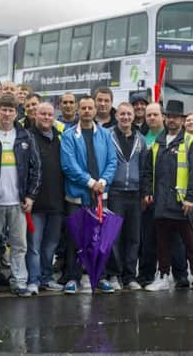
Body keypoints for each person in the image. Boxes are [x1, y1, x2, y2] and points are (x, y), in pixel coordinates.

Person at [142, 100, 193, 294]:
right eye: (169, 116)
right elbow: (148, 171)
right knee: (162, 244)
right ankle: (163, 276)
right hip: (162, 204)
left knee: (192, 244)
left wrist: (190, 198)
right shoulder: (158, 142)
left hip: (183, 204)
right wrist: (147, 192)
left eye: (175, 117)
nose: (171, 120)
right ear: (165, 118)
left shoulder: (191, 142)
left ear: (181, 119)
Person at [0, 94, 41, 297]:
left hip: (18, 202)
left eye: (10, 110)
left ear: (16, 113)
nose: (6, 113)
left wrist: (30, 196)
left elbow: (36, 168)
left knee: (19, 245)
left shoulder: (25, 136)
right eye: (3, 109)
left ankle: (19, 280)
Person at [60, 95, 117, 294]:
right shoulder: (68, 136)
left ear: (94, 111)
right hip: (77, 196)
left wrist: (102, 181)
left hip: (100, 195)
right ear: (78, 110)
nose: (86, 111)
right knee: (75, 238)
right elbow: (69, 165)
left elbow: (112, 162)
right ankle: (73, 278)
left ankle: (98, 276)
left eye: (90, 108)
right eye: (83, 108)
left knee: (98, 238)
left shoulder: (105, 135)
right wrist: (90, 182)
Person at [26, 103, 65, 293]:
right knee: (34, 245)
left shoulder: (61, 138)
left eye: (50, 114)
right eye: (42, 114)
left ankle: (46, 278)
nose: (46, 117)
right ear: (35, 115)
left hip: (57, 202)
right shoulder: (28, 137)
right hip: (35, 203)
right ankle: (33, 279)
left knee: (50, 246)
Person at [107, 102, 146, 290]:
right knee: (114, 236)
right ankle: (114, 274)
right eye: (122, 114)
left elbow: (145, 168)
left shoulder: (141, 139)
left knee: (134, 236)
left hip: (135, 193)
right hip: (115, 192)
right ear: (116, 116)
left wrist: (145, 193)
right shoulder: (108, 136)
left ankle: (130, 276)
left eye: (129, 114)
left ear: (133, 117)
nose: (125, 117)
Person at [137, 102, 164, 286]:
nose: (152, 118)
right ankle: (146, 273)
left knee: (165, 239)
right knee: (146, 239)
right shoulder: (141, 137)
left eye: (155, 114)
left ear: (162, 116)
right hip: (145, 195)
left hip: (164, 195)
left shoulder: (168, 137)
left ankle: (167, 274)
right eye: (149, 115)